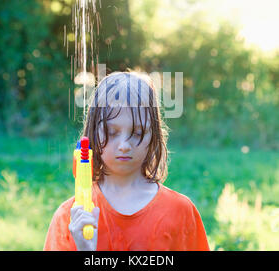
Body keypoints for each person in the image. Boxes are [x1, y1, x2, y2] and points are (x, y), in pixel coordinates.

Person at [43, 71, 210, 251]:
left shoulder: (180, 211)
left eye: (137, 133)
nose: (124, 145)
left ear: (154, 135)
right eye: (112, 132)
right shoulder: (69, 218)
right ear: (92, 132)